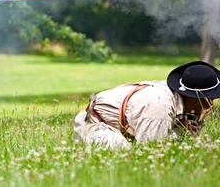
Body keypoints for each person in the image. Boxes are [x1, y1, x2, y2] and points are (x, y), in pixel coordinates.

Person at [73, 61, 220, 149]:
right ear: (195, 99)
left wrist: (183, 127)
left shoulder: (174, 98)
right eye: (210, 100)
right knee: (127, 157)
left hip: (115, 127)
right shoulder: (159, 106)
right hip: (96, 126)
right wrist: (180, 134)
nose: (211, 106)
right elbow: (151, 148)